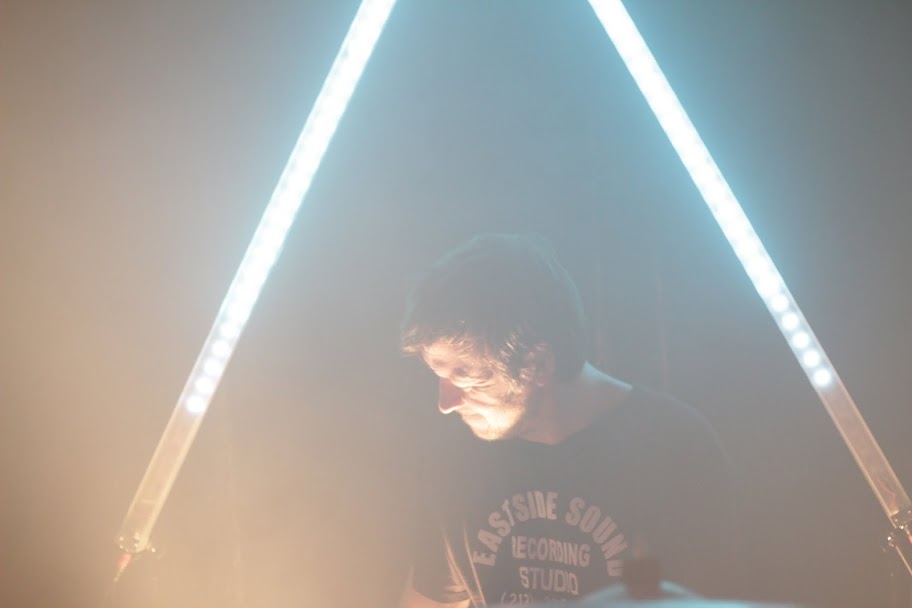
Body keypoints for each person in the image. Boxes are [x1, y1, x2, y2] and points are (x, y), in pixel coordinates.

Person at [399, 234, 741, 607]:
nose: (445, 404)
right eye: (439, 376)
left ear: (538, 364)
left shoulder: (675, 447)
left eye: (465, 379)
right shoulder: (452, 459)